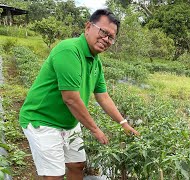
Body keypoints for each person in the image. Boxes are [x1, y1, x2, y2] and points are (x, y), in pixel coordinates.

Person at [19, 9, 140, 179]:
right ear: (88, 27)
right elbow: (70, 99)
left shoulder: (95, 62)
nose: (106, 39)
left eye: (111, 37)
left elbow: (103, 96)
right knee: (54, 175)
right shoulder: (69, 50)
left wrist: (124, 123)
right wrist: (95, 130)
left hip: (68, 122)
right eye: (103, 32)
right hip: (42, 120)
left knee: (77, 165)